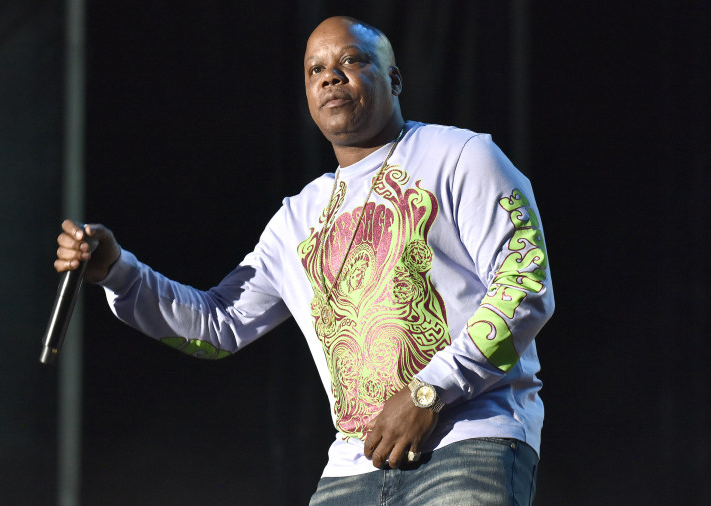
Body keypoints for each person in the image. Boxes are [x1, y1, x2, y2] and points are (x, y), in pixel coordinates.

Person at [55, 16, 554, 505]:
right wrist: (118, 274)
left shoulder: (462, 155)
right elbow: (217, 326)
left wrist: (430, 392)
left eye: (351, 61)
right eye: (315, 70)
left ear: (395, 79)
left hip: (469, 443)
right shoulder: (297, 218)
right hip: (352, 472)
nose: (331, 76)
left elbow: (524, 285)